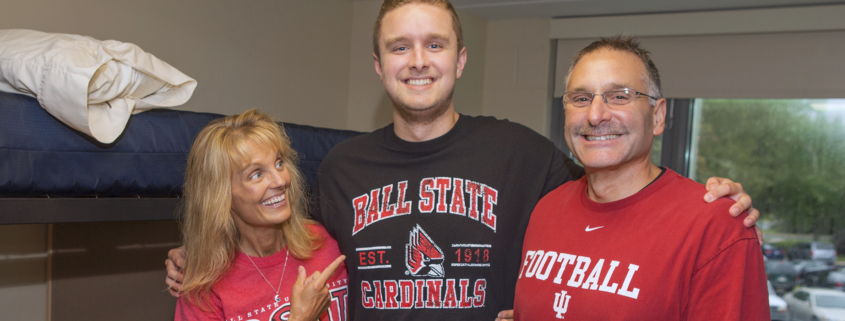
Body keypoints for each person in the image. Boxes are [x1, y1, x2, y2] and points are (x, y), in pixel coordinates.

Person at [168, 1, 760, 320]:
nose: (418, 60)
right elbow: (282, 234)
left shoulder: (524, 153)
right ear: (379, 65)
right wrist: (199, 256)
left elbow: (620, 186)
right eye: (400, 46)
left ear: (461, 59)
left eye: (435, 44)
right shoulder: (343, 167)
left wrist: (714, 198)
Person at [512, 36, 769, 320]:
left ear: (658, 116)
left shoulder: (716, 226)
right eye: (581, 99)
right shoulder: (547, 209)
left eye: (620, 96)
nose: (595, 115)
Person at [174, 109, 348, 321]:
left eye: (279, 163)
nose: (280, 181)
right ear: (220, 196)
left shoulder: (329, 241)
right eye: (256, 174)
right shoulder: (202, 289)